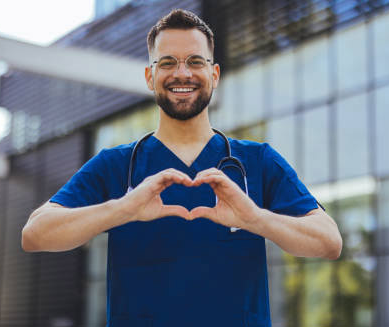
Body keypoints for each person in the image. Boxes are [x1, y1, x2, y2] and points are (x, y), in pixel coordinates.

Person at [22, 9, 342, 327]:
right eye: (168, 62)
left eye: (195, 61)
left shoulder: (258, 161)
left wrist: (254, 218)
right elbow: (35, 234)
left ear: (214, 74)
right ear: (150, 77)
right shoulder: (115, 165)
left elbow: (328, 241)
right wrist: (122, 210)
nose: (182, 73)